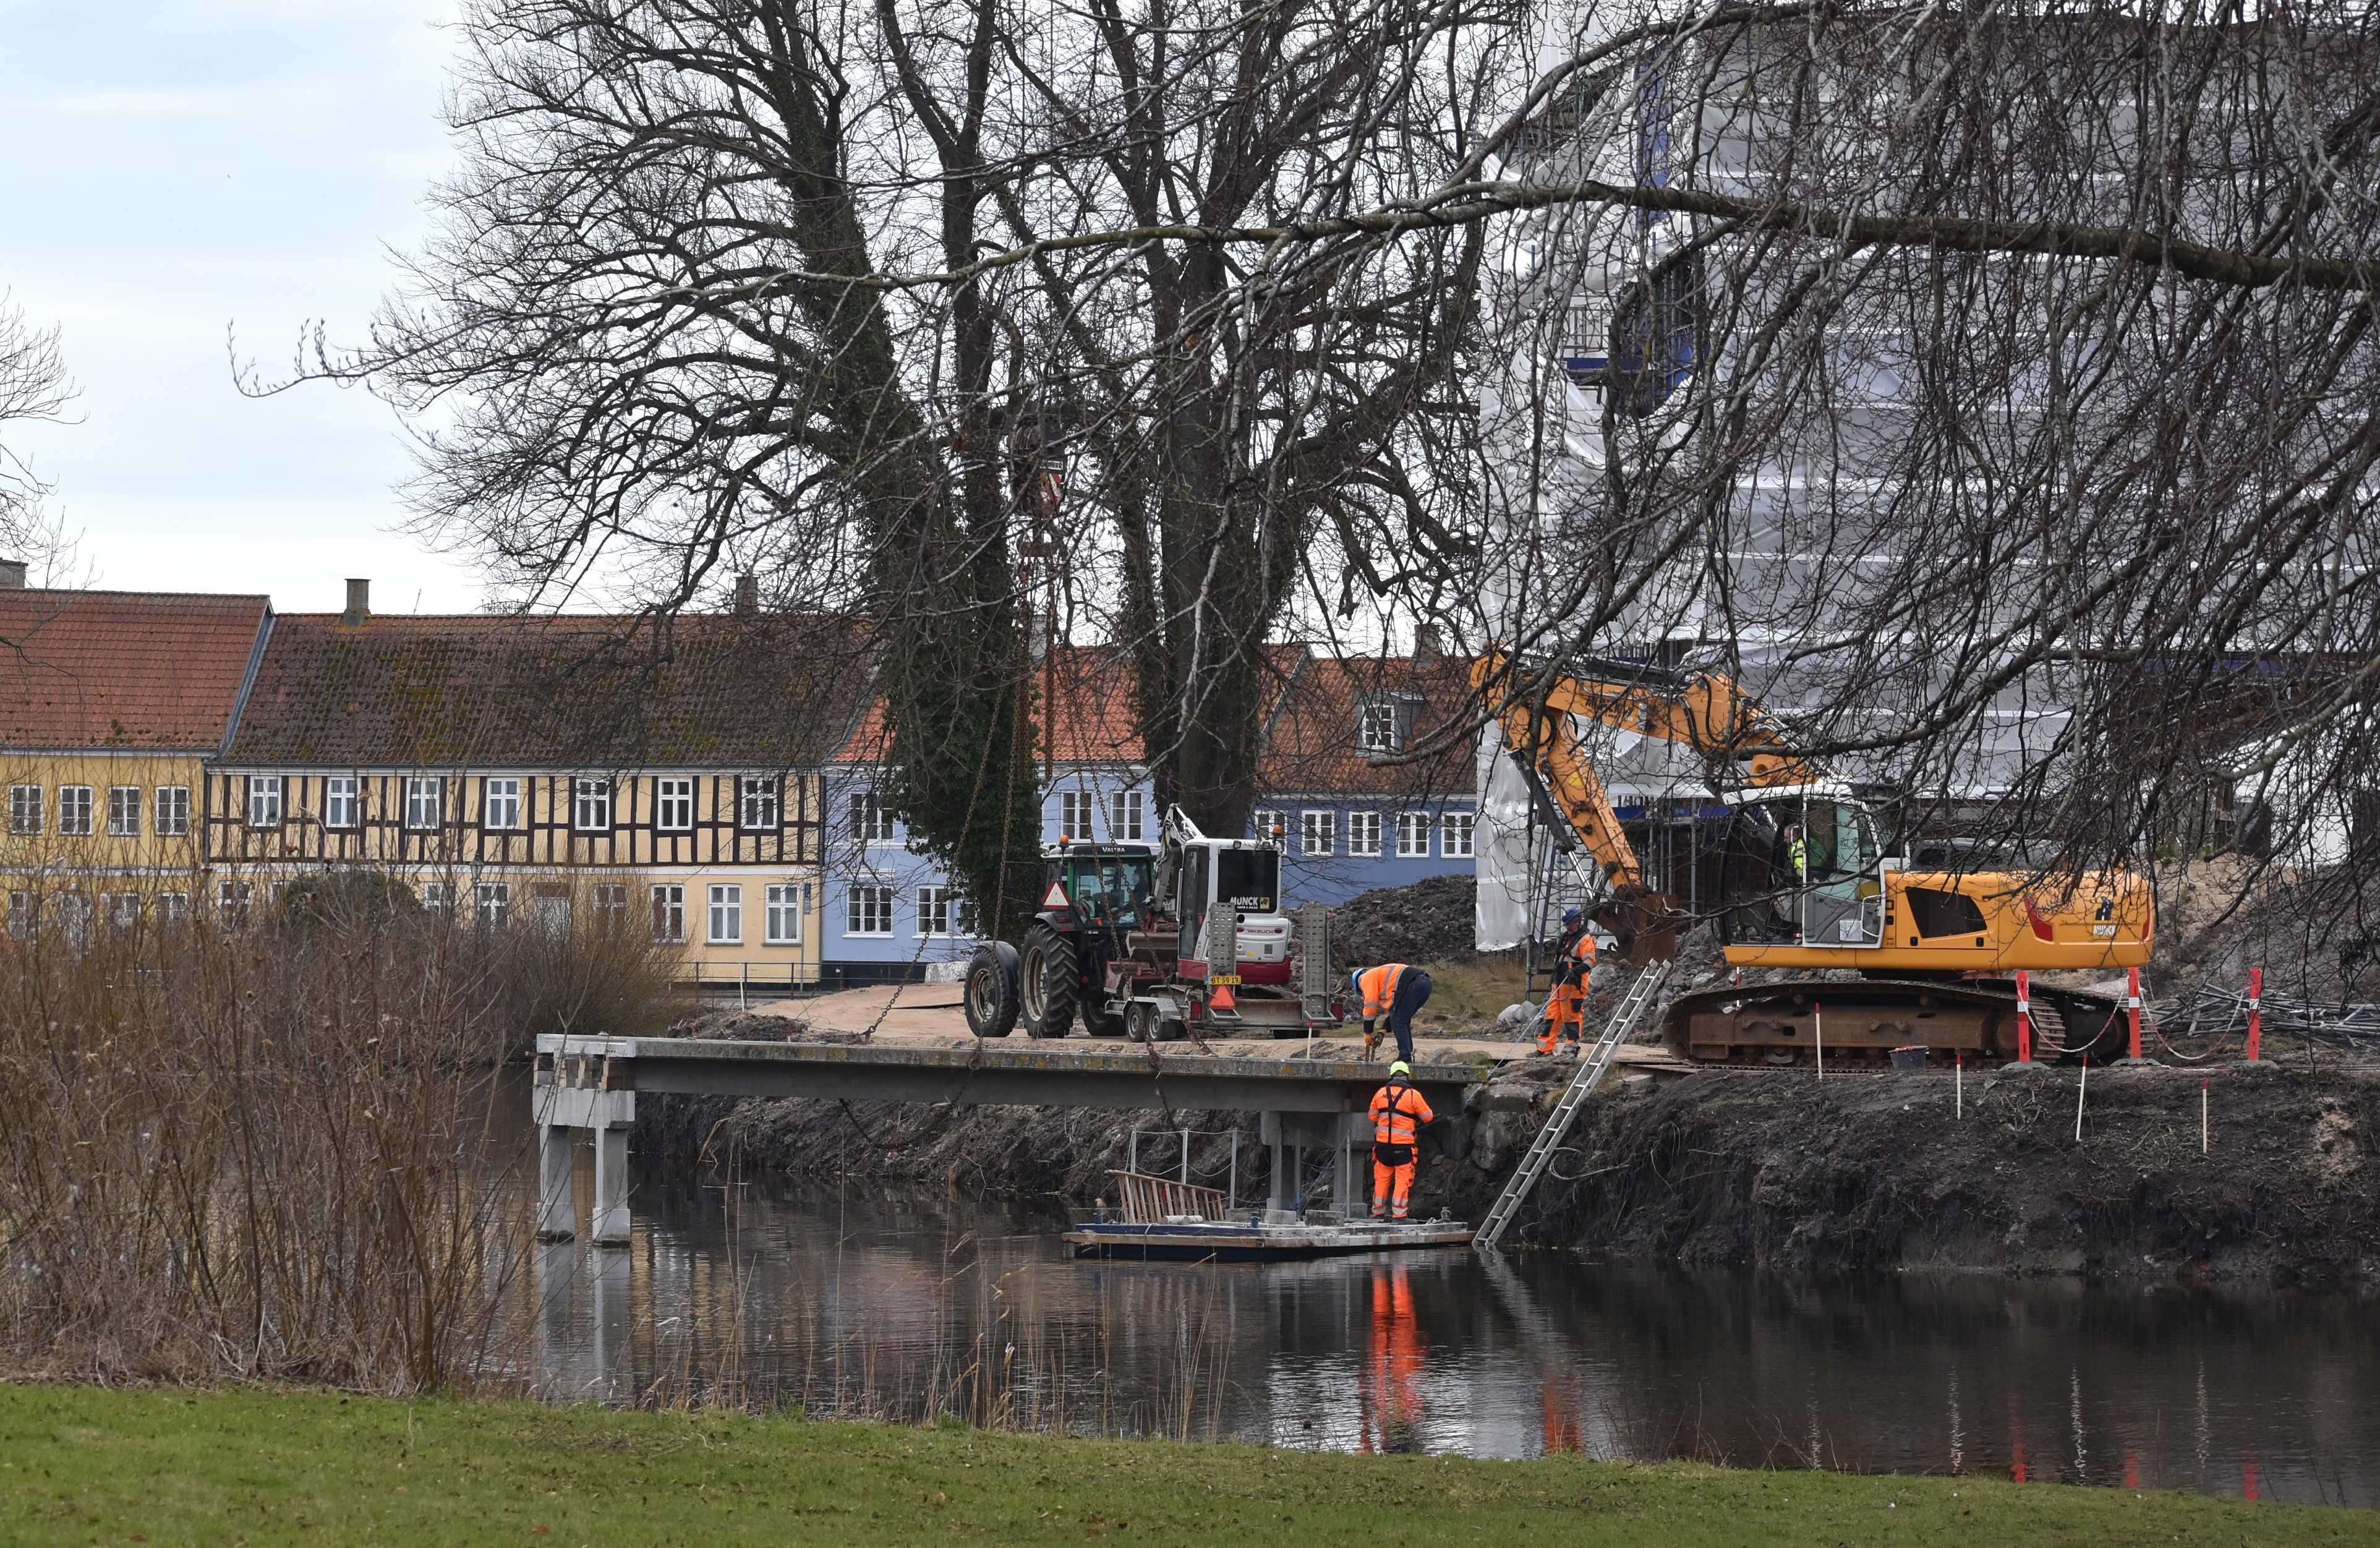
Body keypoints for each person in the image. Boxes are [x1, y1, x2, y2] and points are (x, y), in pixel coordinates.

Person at [1367, 1061, 1435, 1220]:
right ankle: (1399, 1214)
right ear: (1406, 1077)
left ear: (1392, 1076)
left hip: (1383, 1147)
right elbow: (1428, 1117)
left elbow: (1372, 1116)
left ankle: (1377, 1212)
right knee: (1403, 1180)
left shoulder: (1380, 1093)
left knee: (1382, 1180)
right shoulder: (1413, 1095)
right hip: (1403, 1147)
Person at [1539, 906, 1598, 1056]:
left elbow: (1590, 962)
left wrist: (1574, 971)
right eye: (1566, 924)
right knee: (1551, 1016)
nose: (1567, 926)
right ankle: (1544, 1049)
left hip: (1574, 985)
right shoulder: (1566, 938)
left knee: (1571, 1017)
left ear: (1577, 922)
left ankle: (1571, 1049)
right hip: (1559, 983)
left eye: (1569, 923)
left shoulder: (1585, 940)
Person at [1350, 961, 1434, 1063]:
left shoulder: (1365, 978)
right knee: (1402, 1019)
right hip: (1424, 984)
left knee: (1399, 1020)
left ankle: (1405, 1057)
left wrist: (1367, 1033)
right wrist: (1383, 1031)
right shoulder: (1382, 979)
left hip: (1415, 984)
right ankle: (1407, 1055)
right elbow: (1394, 1013)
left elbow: (1370, 1006)